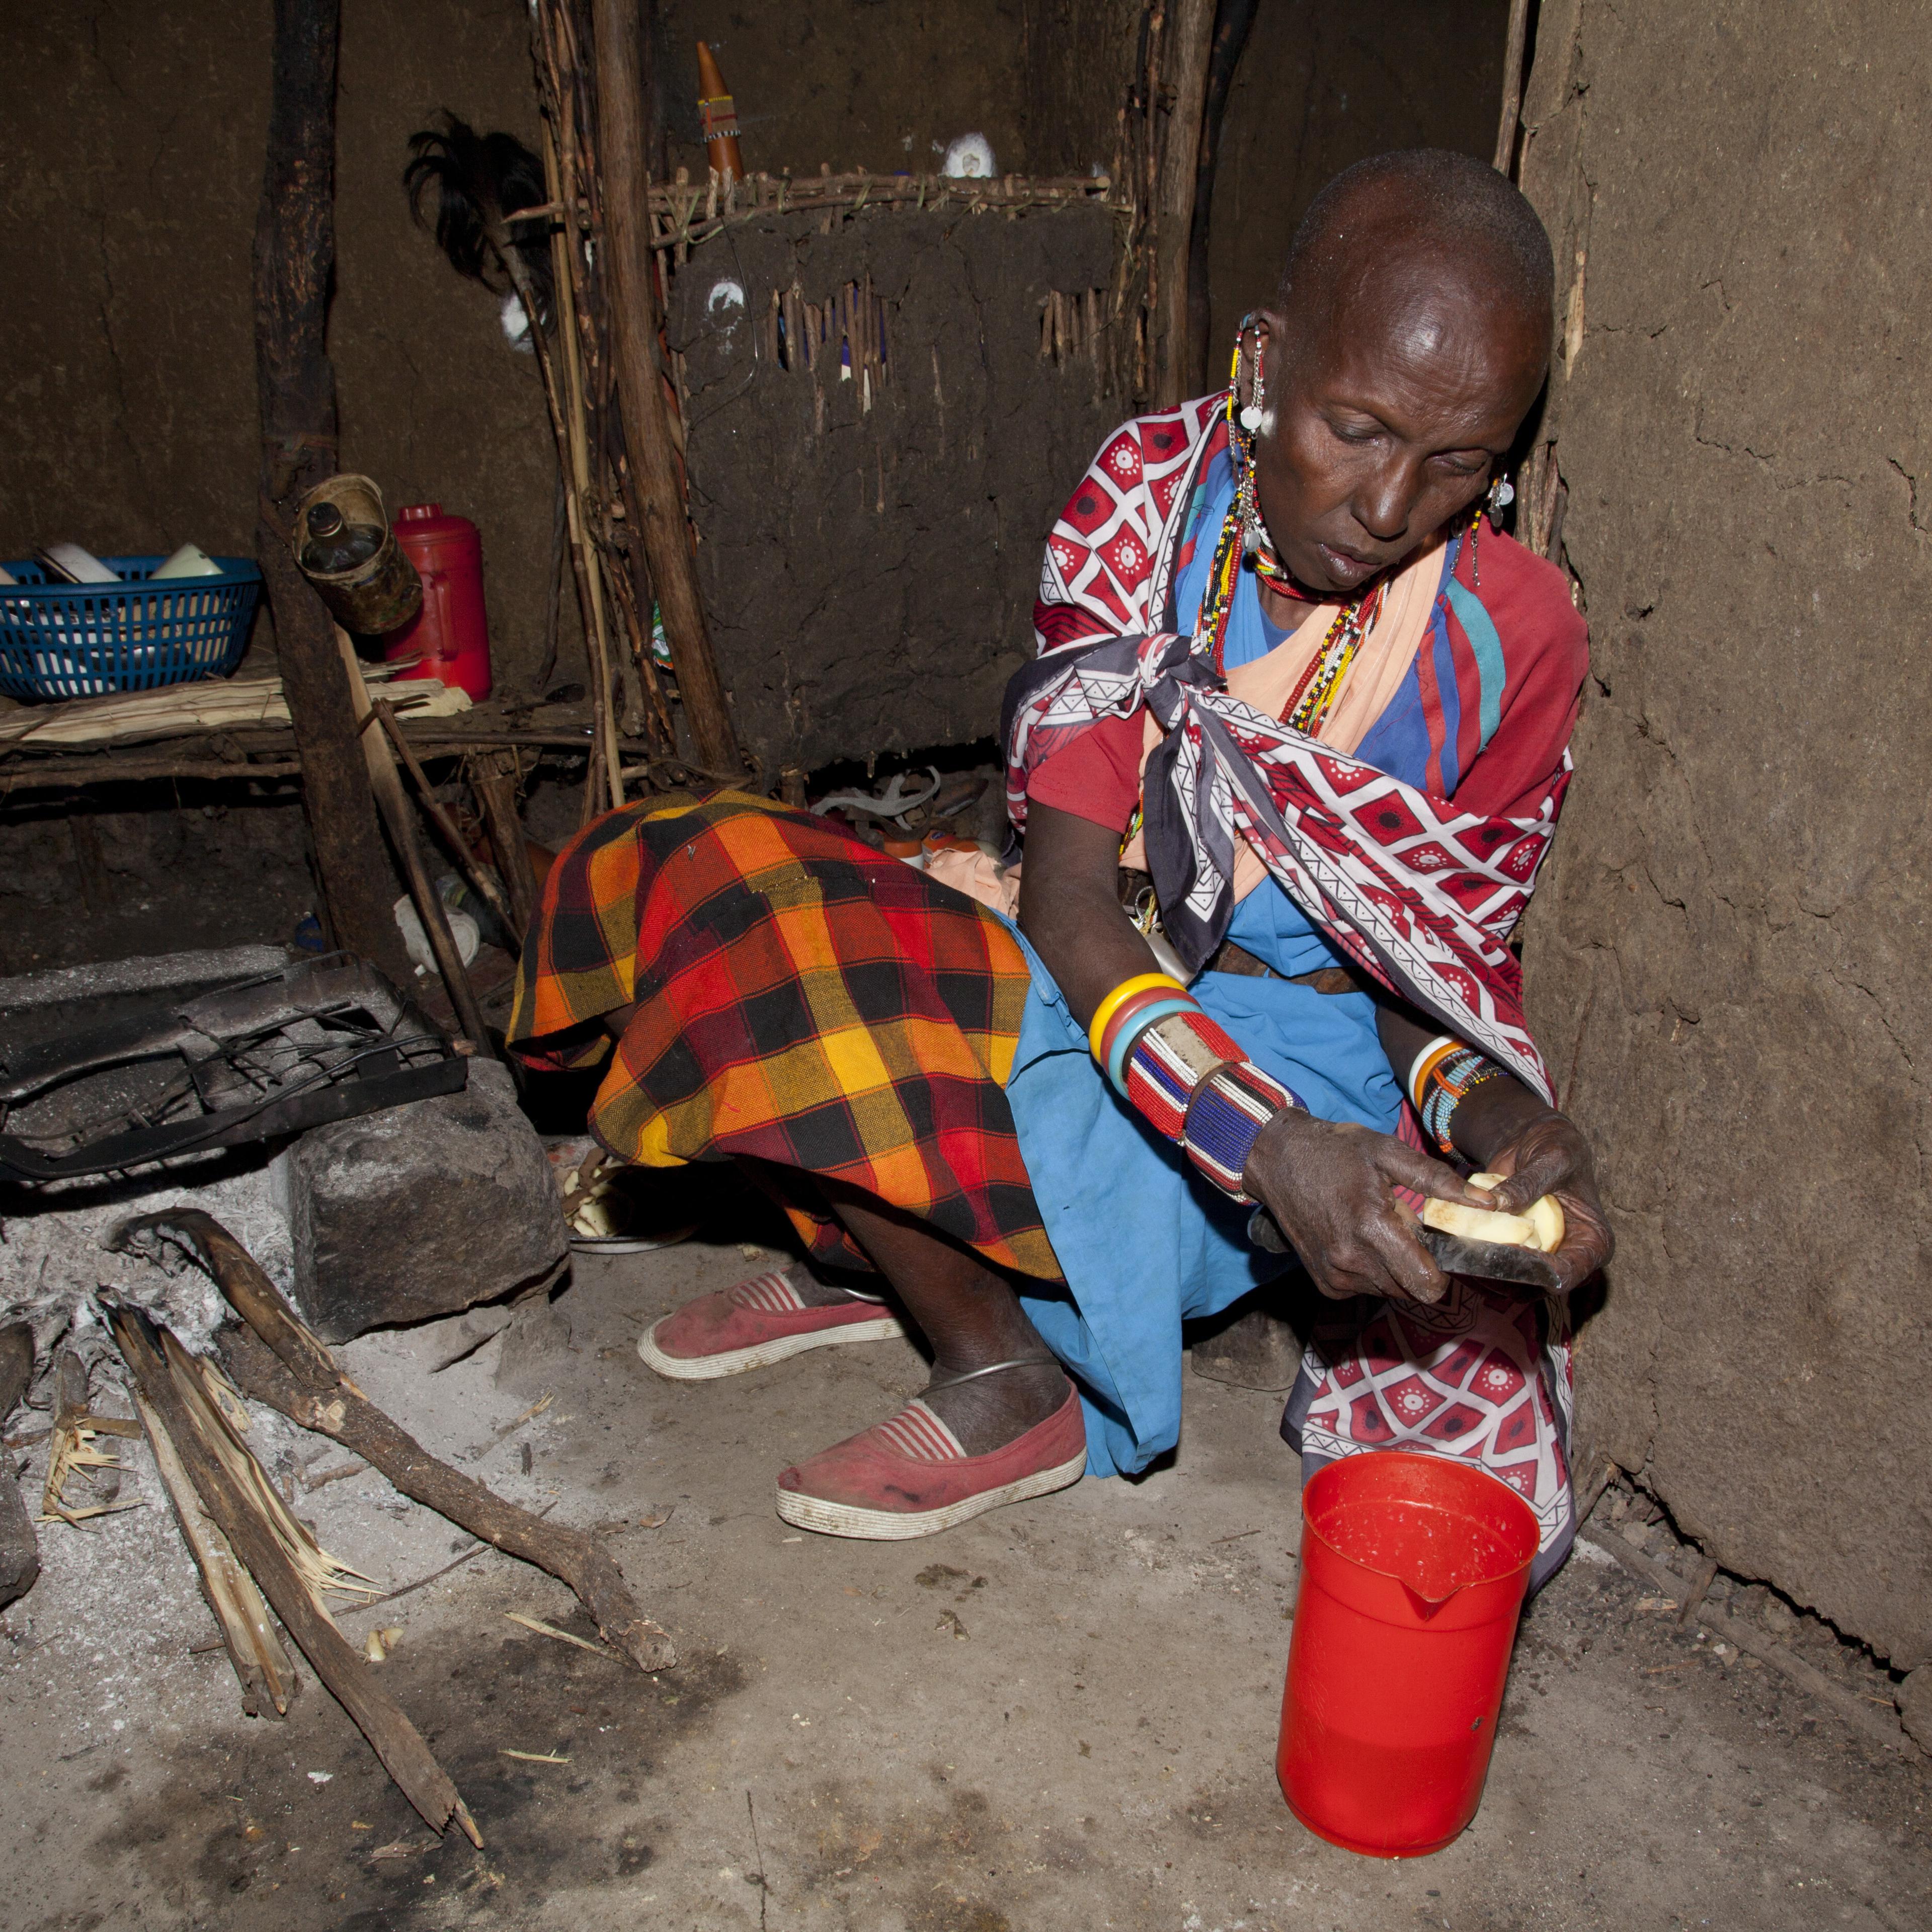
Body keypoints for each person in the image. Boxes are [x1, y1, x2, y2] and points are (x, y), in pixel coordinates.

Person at [506, 149, 1611, 1582]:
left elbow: (1428, 974)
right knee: (703, 870)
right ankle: (885, 1259)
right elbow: (1075, 903)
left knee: (821, 986)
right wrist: (1256, 1146)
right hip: (1116, 978)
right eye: (1357, 427)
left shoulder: (1510, 636)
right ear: (1266, 364)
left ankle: (1002, 1368)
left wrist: (1509, 1127)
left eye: (1458, 462)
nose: (1392, 505)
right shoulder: (1149, 500)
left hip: (1306, 1084)